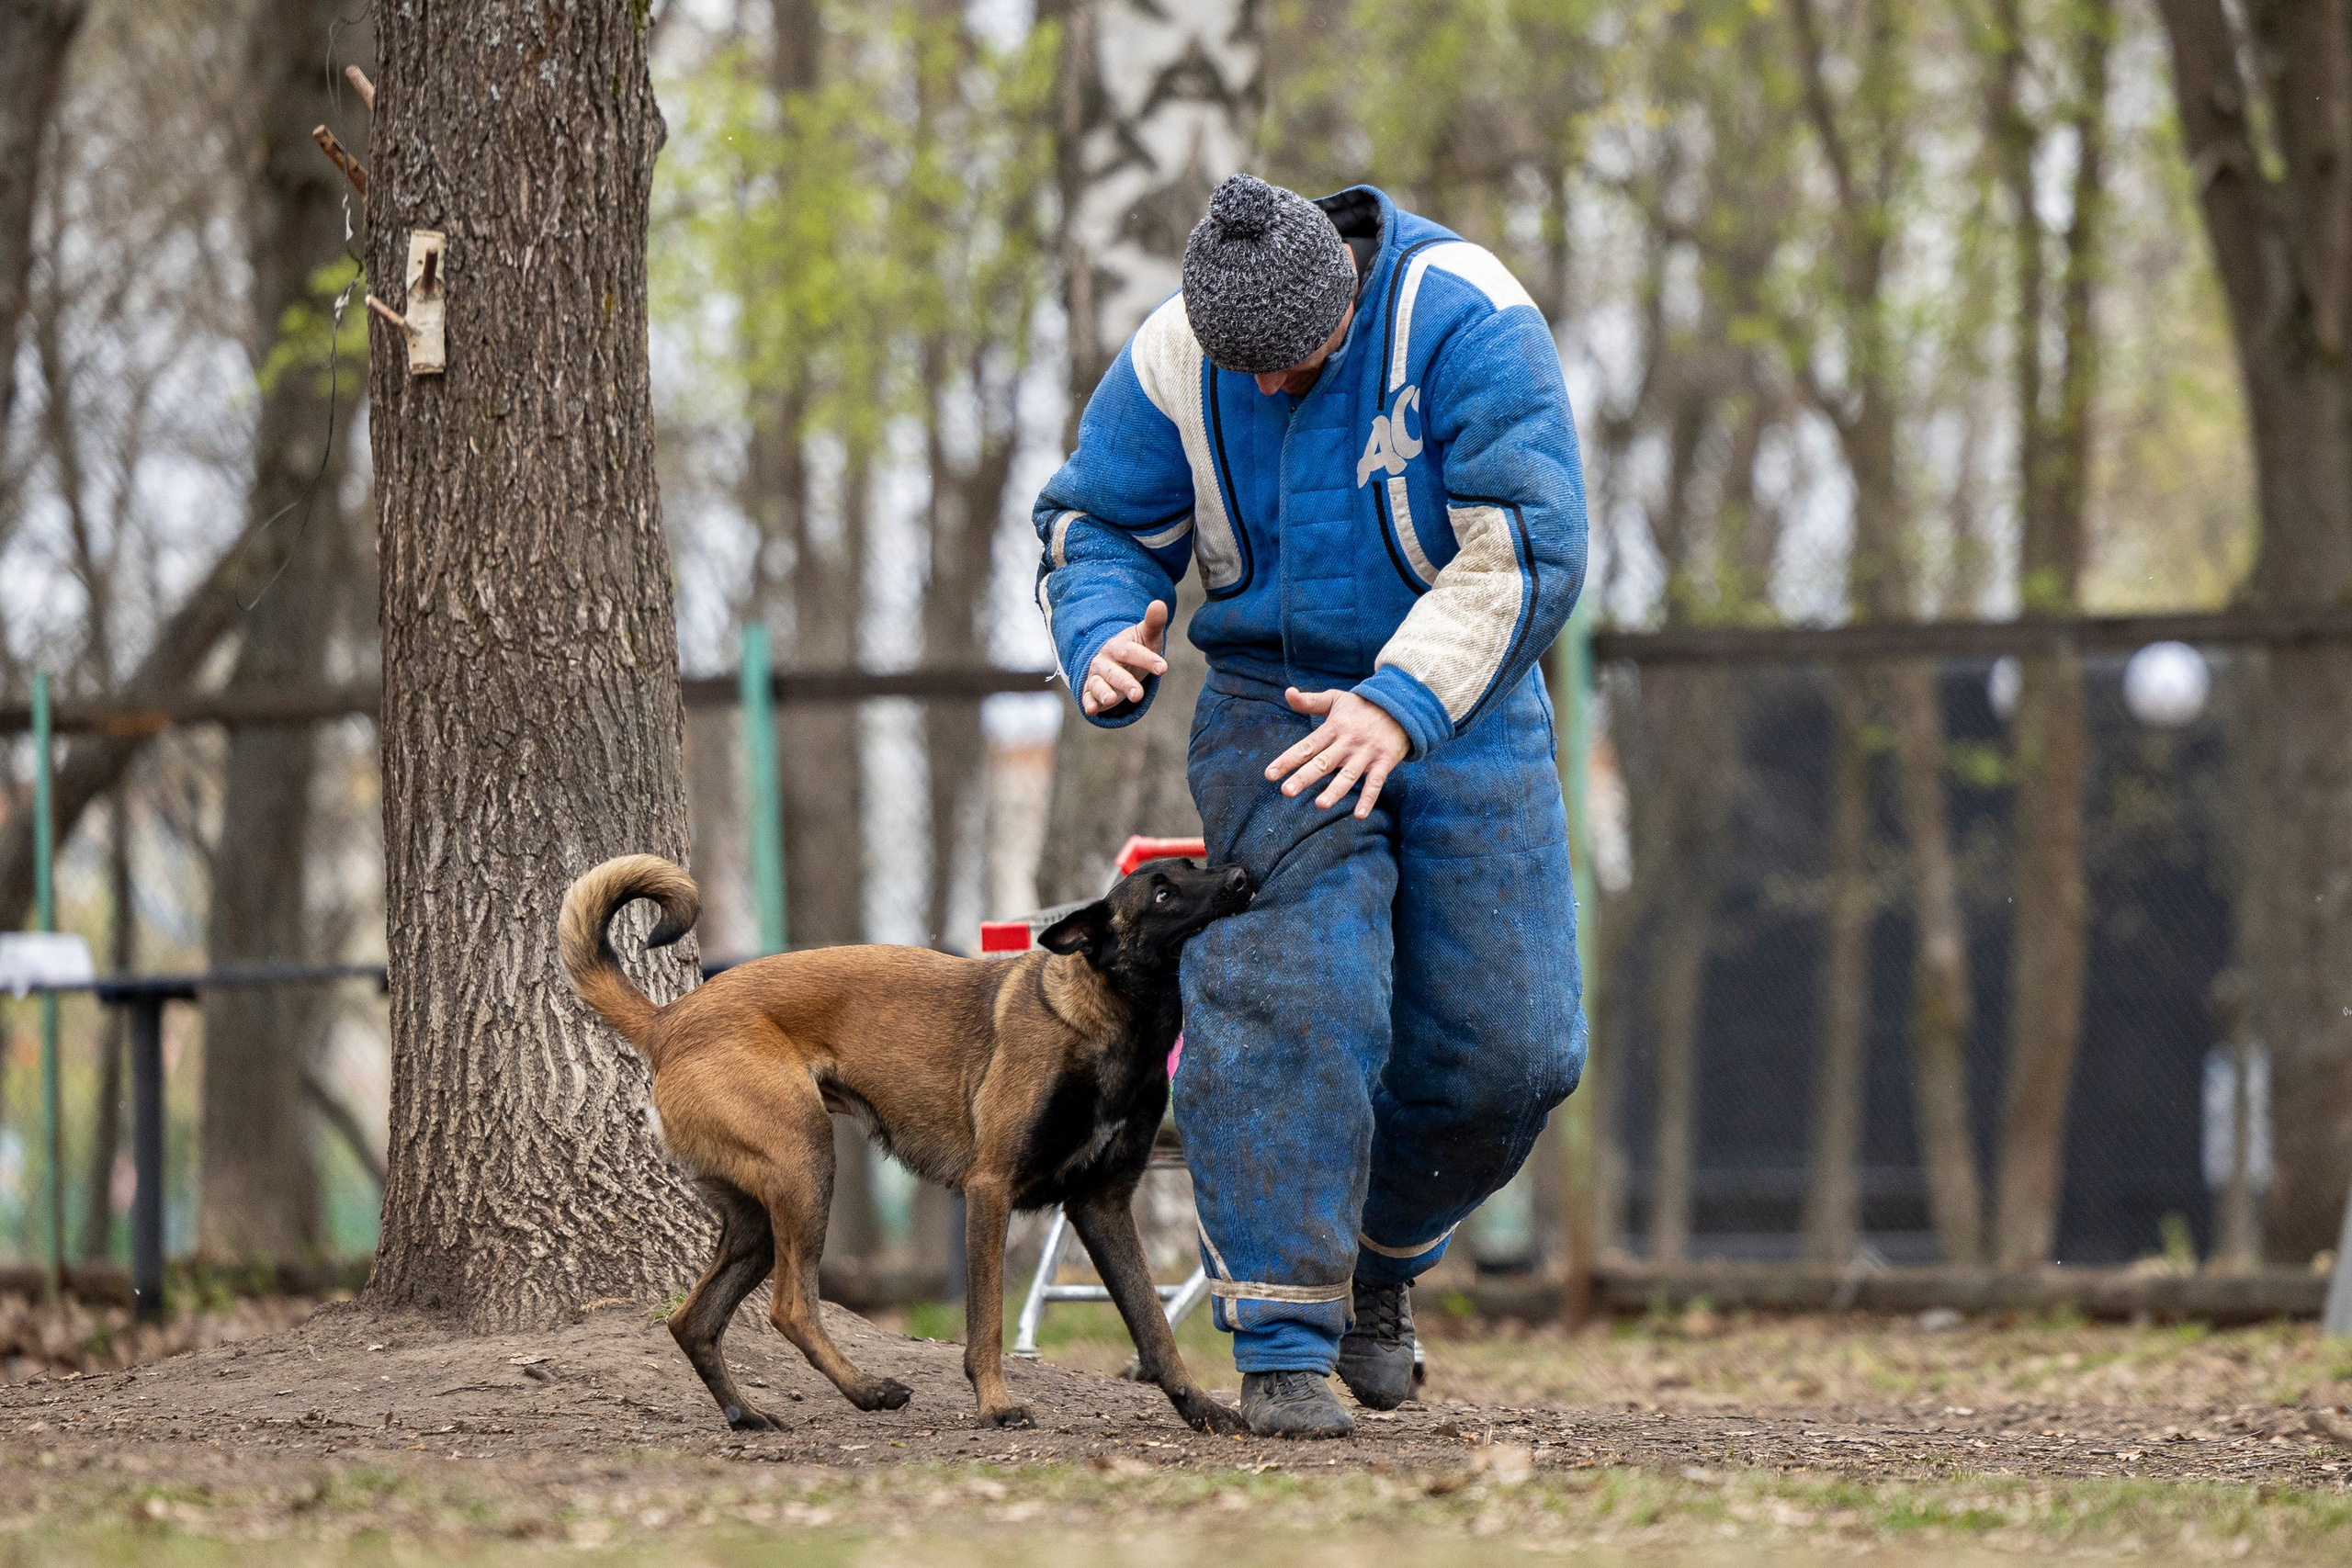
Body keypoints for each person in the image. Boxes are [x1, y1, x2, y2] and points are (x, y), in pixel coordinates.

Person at [1032, 174, 1588, 1438]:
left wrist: (1400, 702)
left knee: (1516, 1052)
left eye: (1300, 363)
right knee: (1292, 991)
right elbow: (1095, 520)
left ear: (1344, 296)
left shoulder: (1467, 314)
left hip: (1465, 699)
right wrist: (1106, 631)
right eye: (1250, 370)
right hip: (1271, 714)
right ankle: (1282, 1336)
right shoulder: (1176, 353)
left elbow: (1529, 541)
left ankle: (1378, 1269)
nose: (1274, 388)